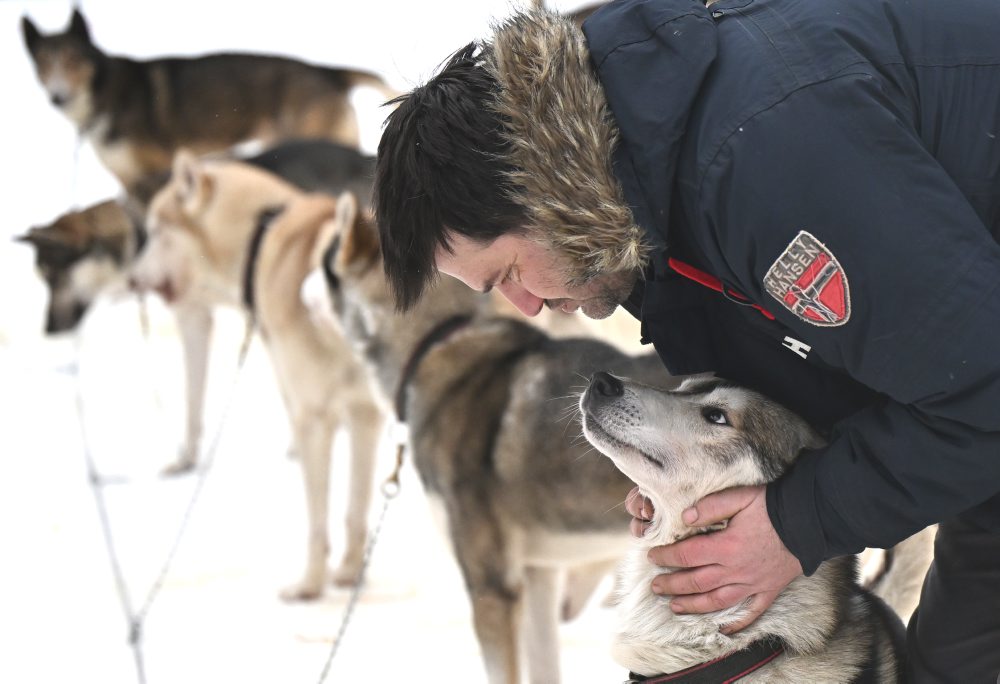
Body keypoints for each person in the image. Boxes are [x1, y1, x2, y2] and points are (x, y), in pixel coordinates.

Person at [373, 0, 1000, 680]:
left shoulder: (762, 160)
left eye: (511, 273)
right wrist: (698, 485)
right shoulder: (646, 192)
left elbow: (981, 383)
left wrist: (796, 522)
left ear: (542, 199)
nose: (526, 306)